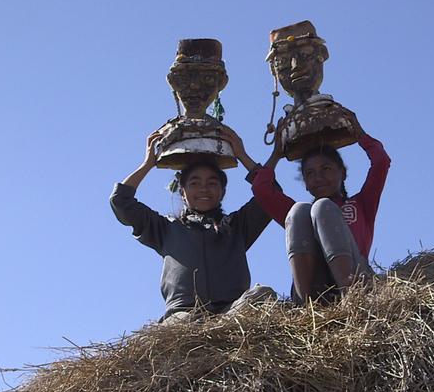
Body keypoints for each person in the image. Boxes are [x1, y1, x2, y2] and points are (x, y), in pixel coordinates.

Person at [110, 127, 274, 321]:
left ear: (222, 192)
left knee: (263, 294)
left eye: (212, 183)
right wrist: (148, 164)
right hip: (183, 316)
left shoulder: (236, 226)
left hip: (231, 312)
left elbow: (271, 194)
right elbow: (120, 201)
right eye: (195, 183)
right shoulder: (165, 228)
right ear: (182, 192)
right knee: (184, 321)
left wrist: (242, 155)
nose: (204, 189)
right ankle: (201, 329)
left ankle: (217, 329)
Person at [252, 121, 390, 302]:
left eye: (326, 169)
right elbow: (261, 189)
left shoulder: (361, 203)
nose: (318, 177)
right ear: (305, 183)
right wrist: (277, 153)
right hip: (317, 289)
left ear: (342, 173)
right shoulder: (304, 217)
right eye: (310, 173)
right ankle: (303, 305)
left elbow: (381, 162)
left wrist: (358, 133)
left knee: (323, 207)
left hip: (356, 278)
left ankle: (352, 297)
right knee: (298, 210)